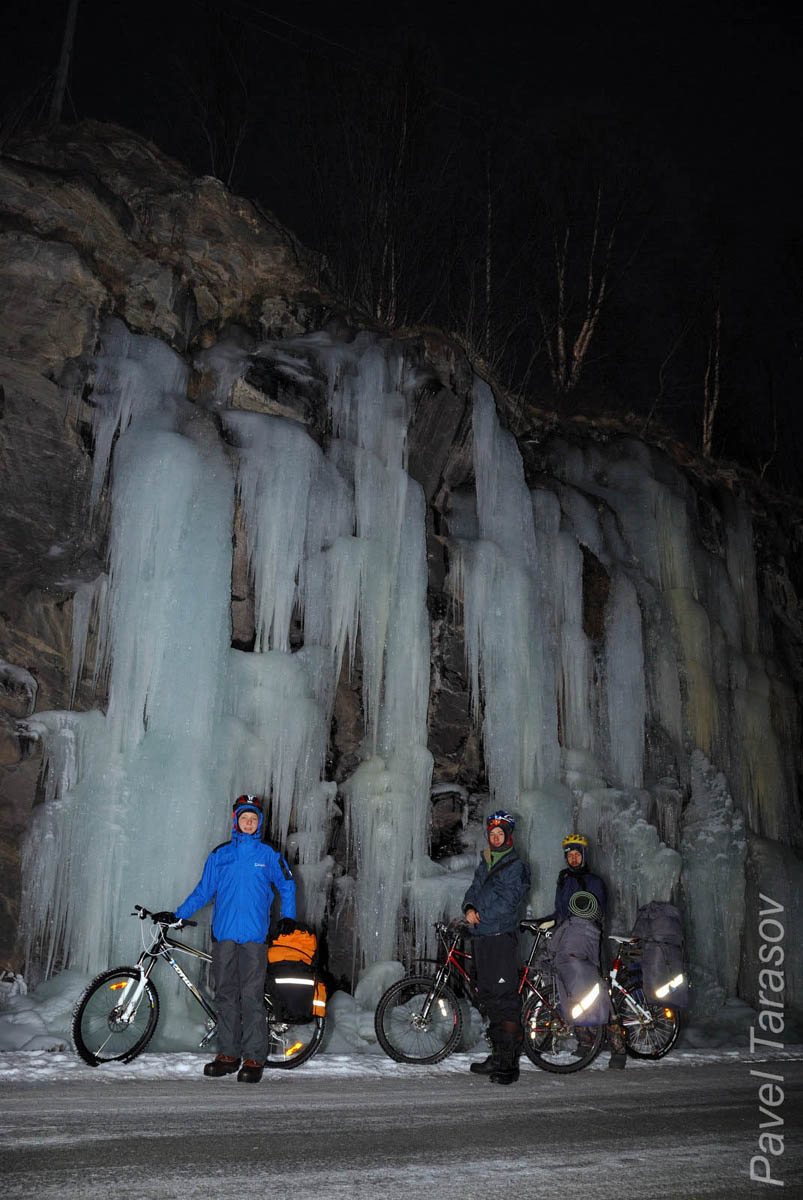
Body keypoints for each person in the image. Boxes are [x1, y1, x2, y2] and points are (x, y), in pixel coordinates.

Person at [156, 794, 296, 1084]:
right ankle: (228, 1055)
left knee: (252, 997)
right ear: (236, 820)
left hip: (255, 937)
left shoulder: (268, 854)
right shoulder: (220, 855)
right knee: (226, 996)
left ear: (259, 823)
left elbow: (287, 883)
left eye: (253, 819)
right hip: (224, 937)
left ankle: (255, 1057)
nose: (249, 822)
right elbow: (204, 890)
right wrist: (179, 914)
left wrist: (288, 916)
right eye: (244, 818)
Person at [541, 832, 626, 1069]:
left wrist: (574, 921)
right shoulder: (564, 880)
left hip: (588, 943)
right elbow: (560, 912)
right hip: (568, 940)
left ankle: (618, 1047)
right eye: (570, 855)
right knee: (573, 989)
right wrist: (544, 922)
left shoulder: (594, 881)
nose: (574, 858)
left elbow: (595, 913)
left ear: (584, 855)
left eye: (578, 854)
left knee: (600, 989)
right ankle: (586, 1041)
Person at [462, 809, 531, 1085]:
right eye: (492, 834)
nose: (496, 837)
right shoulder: (486, 861)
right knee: (489, 996)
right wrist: (468, 906)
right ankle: (497, 1054)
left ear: (508, 837)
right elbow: (474, 889)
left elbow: (508, 901)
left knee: (504, 998)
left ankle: (509, 1063)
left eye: (500, 834)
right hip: (483, 937)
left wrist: (480, 915)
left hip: (501, 935)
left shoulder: (516, 866)